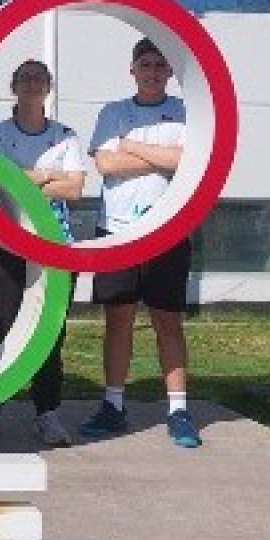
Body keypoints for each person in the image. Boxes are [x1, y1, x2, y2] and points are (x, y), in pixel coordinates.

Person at [80, 38, 201, 448]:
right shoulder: (113, 112)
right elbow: (106, 164)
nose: (152, 72)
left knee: (168, 322)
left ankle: (178, 410)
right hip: (117, 231)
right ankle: (113, 405)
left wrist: (129, 144)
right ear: (132, 69)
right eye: (145, 64)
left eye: (160, 65)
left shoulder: (186, 113)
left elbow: (187, 160)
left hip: (168, 230)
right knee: (119, 321)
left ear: (170, 72)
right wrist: (161, 156)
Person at [0, 60, 84, 448]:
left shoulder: (65, 135)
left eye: (39, 78)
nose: (32, 83)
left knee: (49, 332)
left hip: (54, 245)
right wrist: (50, 176)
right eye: (25, 77)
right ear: (13, 86)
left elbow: (75, 190)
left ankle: (46, 413)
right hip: (3, 243)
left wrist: (19, 177)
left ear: (48, 87)